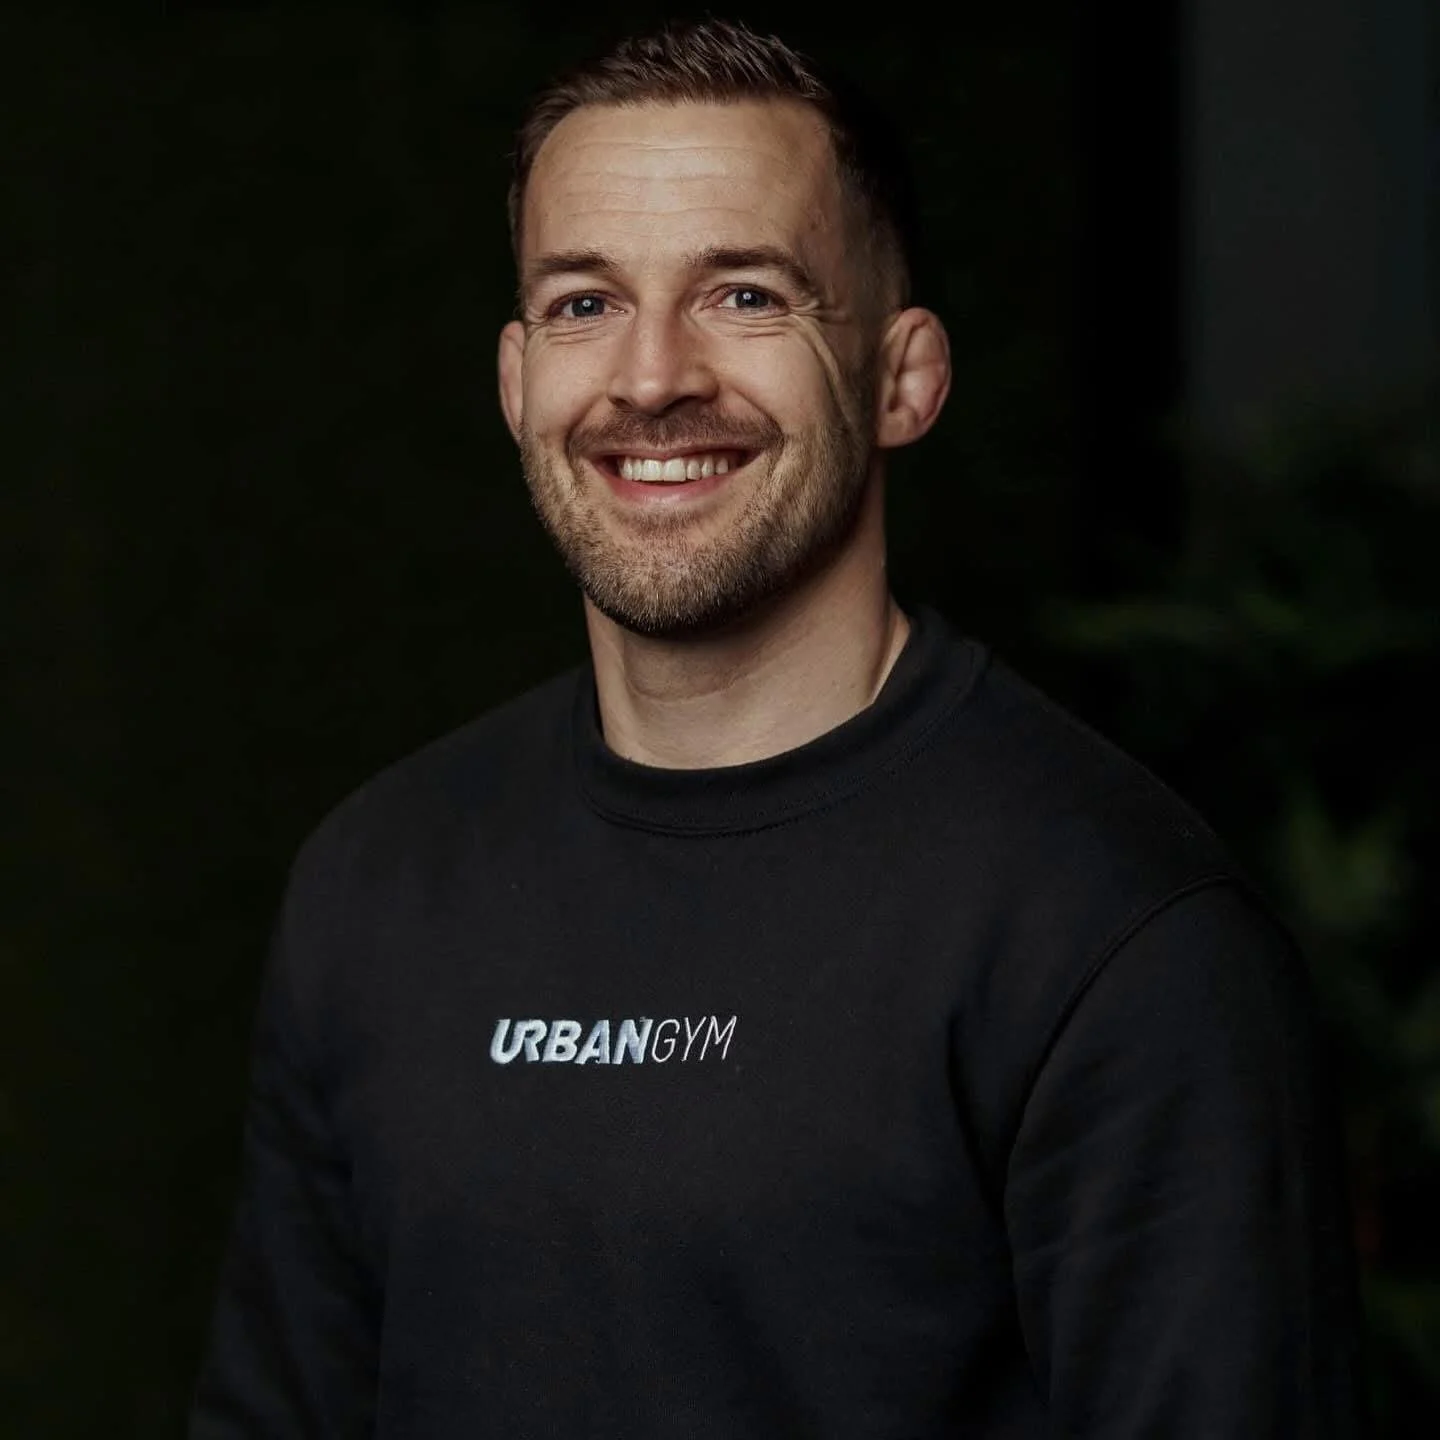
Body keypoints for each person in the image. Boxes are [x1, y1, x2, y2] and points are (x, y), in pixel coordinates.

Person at [191, 19, 1365, 1437]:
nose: (649, 379)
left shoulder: (1111, 932)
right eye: (583, 303)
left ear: (900, 377)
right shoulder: (377, 879)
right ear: (514, 379)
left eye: (744, 295)